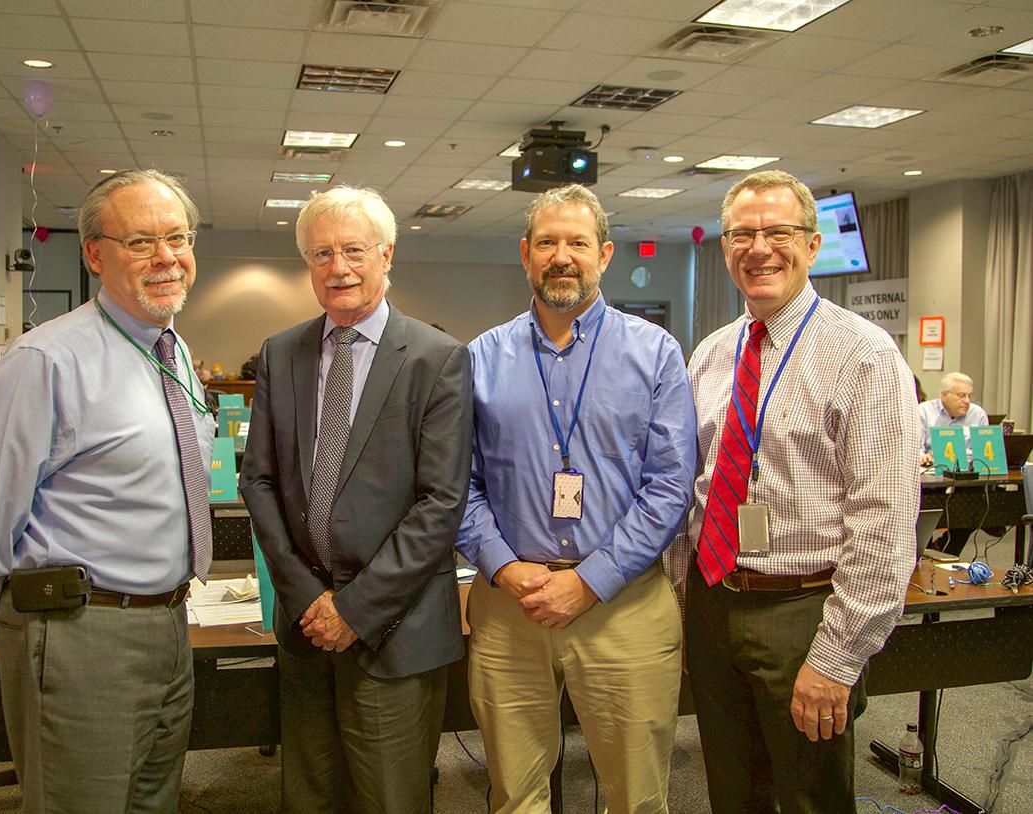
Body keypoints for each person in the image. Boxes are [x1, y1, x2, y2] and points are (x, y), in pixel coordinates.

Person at [0, 168, 214, 812]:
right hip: (80, 632)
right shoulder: (45, 361)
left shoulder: (170, 351)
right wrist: (20, 626)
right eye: (141, 241)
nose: (165, 258)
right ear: (95, 254)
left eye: (177, 238)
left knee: (154, 801)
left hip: (170, 624)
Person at [668, 169, 920, 814]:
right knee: (732, 790)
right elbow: (693, 487)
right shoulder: (713, 354)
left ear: (812, 245)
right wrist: (683, 600)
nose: (758, 249)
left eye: (777, 232)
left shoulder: (862, 353)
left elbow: (885, 521)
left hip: (803, 615)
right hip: (715, 603)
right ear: (724, 249)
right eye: (741, 235)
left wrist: (837, 658)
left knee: (810, 797)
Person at [457, 184, 696, 813]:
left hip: (625, 607)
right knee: (515, 797)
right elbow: (458, 483)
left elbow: (671, 486)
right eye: (547, 242)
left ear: (606, 254)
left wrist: (590, 580)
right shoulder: (481, 357)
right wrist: (505, 568)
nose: (562, 256)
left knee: (637, 798)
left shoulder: (655, 353)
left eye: (578, 243)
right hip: (511, 608)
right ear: (525, 254)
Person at [239, 186, 472, 814]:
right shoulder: (281, 353)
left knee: (390, 801)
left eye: (353, 250)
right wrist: (307, 598)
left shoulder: (436, 359)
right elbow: (257, 482)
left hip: (393, 632)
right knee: (309, 798)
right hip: (306, 626)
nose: (338, 267)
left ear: (386, 254)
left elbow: (441, 502)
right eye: (321, 253)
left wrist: (354, 608)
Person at [918, 371, 987, 467]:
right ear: (944, 395)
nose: (967, 401)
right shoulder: (923, 411)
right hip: (931, 470)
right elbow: (916, 449)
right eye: (961, 395)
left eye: (969, 396)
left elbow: (982, 453)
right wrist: (923, 457)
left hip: (967, 472)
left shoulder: (978, 414)